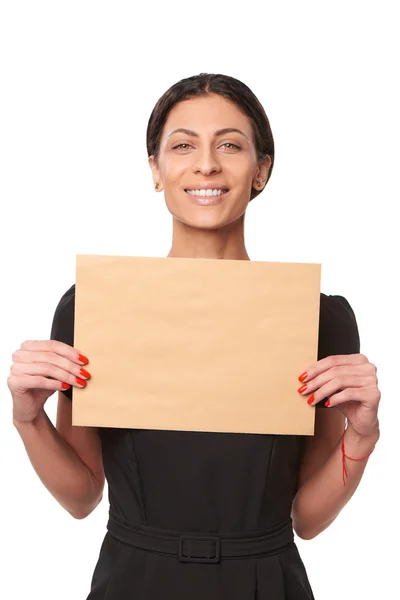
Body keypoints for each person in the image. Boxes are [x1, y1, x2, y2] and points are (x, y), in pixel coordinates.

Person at [9, 73, 381, 599]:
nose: (206, 163)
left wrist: (362, 434)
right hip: (133, 581)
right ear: (156, 170)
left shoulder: (318, 319)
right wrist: (28, 419)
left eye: (230, 144)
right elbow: (82, 496)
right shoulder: (94, 308)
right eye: (182, 145)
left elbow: (308, 518)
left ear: (261, 170)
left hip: (265, 583)